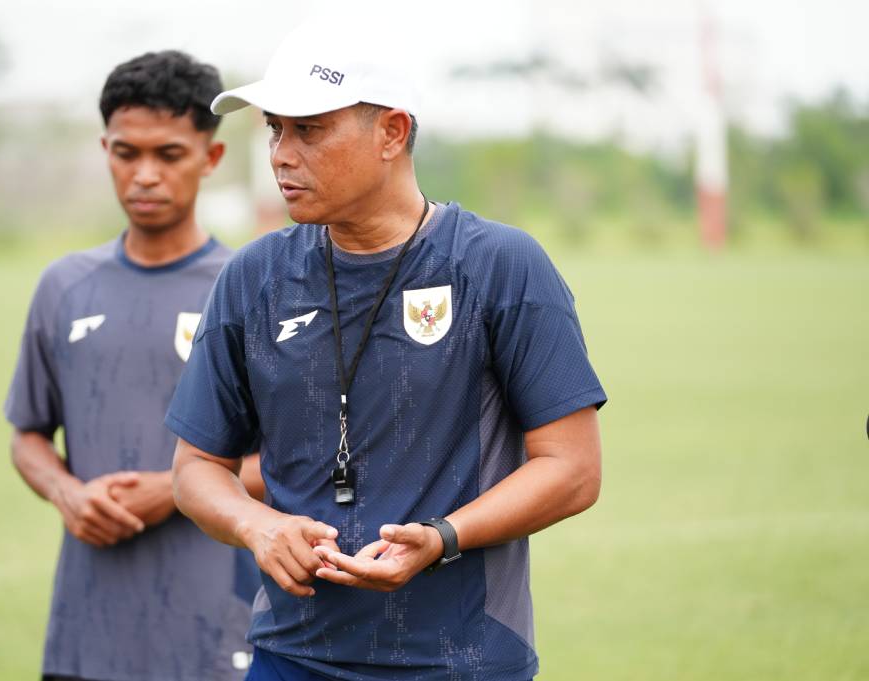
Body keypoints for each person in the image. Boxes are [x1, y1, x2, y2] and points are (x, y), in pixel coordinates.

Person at [165, 22, 606, 681]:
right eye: (274, 130)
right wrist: (258, 527)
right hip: (291, 656)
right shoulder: (253, 278)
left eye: (308, 130)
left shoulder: (498, 266)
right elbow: (195, 467)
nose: (282, 155)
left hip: (463, 658)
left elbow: (573, 469)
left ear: (392, 133)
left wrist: (441, 536)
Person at [4, 50, 262, 681]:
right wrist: (68, 492)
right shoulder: (64, 287)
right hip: (86, 638)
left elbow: (288, 458)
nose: (144, 174)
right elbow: (29, 434)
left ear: (211, 157)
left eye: (168, 154)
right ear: (105, 150)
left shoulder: (253, 288)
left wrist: (176, 489)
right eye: (126, 153)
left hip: (217, 634)